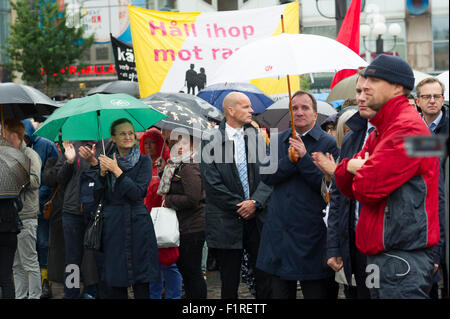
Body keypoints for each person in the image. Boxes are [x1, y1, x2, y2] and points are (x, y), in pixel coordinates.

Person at [334, 54, 440, 299]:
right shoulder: (383, 128)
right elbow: (343, 183)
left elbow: (365, 189)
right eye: (364, 82)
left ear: (398, 87)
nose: (366, 87)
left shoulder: (408, 129)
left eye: (374, 80)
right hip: (384, 254)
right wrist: (351, 165)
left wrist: (352, 168)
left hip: (401, 256)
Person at [257, 90, 339, 299]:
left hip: (312, 235)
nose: (300, 112)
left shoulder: (327, 143)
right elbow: (266, 176)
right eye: (295, 108)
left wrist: (303, 160)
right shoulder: (277, 140)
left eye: (305, 108)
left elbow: (328, 186)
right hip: (280, 234)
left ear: (314, 114)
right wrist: (289, 161)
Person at [199, 92, 272, 299]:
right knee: (229, 282)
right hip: (227, 220)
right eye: (246, 107)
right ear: (230, 110)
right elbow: (211, 182)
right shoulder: (210, 140)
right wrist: (241, 205)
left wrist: (255, 203)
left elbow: (269, 175)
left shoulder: (257, 137)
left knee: (264, 279)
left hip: (257, 219)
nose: (252, 111)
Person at [312, 70, 376, 299]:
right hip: (354, 245)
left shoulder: (410, 134)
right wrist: (335, 247)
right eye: (358, 91)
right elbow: (338, 197)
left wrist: (434, 251)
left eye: (367, 91)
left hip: (392, 249)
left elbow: (432, 194)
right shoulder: (352, 137)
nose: (360, 97)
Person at [94, 118, 160, 299]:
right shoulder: (106, 162)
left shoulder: (144, 161)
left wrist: (117, 171)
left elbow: (138, 193)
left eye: (130, 133)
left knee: (141, 280)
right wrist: (101, 175)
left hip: (138, 223)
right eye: (122, 133)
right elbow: (97, 197)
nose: (128, 136)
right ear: (113, 138)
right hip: (114, 225)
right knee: (116, 281)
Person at [55, 138, 110, 298]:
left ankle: (101, 294)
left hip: (97, 211)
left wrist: (94, 162)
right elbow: (59, 179)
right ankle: (70, 295)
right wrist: (69, 161)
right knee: (72, 261)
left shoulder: (106, 144)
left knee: (100, 259)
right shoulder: (73, 144)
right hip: (72, 211)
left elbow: (109, 179)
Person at [159, 133, 208, 299]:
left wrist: (169, 199)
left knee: (192, 273)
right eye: (176, 143)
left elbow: (193, 198)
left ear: (194, 146)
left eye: (185, 143)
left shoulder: (190, 166)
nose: (179, 146)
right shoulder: (178, 165)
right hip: (184, 226)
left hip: (192, 228)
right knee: (187, 273)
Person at [415, 77, 448, 299]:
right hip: (422, 218)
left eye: (436, 96)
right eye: (426, 97)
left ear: (443, 99)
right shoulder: (411, 128)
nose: (432, 101)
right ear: (417, 101)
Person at [140, 128, 182, 299]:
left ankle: (173, 296)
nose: (149, 146)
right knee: (152, 263)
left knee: (168, 261)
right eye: (146, 142)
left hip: (162, 218)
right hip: (145, 218)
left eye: (153, 142)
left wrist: (163, 173)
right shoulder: (142, 164)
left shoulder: (167, 163)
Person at [4, 119, 42, 299]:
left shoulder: (30, 155)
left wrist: (14, 172)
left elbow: (35, 181)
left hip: (26, 215)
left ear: (13, 135)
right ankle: (20, 296)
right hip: (11, 218)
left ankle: (34, 295)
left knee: (29, 261)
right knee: (15, 265)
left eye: (4, 133)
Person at [22, 118, 59, 299]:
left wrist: (42, 194)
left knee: (44, 244)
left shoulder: (47, 145)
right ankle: (31, 284)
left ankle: (46, 283)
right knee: (29, 248)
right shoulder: (16, 149)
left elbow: (54, 175)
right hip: (25, 207)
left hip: (43, 205)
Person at [0, 136, 23, 299]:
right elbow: (19, 205)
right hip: (10, 232)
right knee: (6, 278)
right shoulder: (12, 173)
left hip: (5, 231)